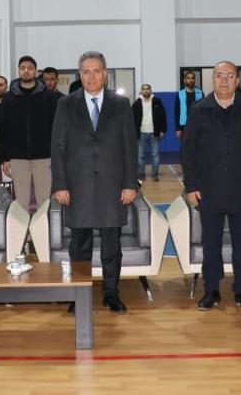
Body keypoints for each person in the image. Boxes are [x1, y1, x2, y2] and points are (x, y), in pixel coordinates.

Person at [51, 51, 137, 314]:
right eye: (86, 72)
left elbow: (129, 146)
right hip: (77, 188)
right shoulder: (66, 104)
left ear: (105, 74)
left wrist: (130, 183)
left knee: (112, 247)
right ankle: (79, 294)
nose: (91, 76)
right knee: (79, 247)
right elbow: (58, 147)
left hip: (113, 187)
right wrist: (60, 184)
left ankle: (111, 294)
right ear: (80, 75)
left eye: (97, 71)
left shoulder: (121, 104)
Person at [182, 61, 241, 312]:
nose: (224, 80)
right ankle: (211, 289)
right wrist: (191, 185)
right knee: (211, 245)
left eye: (229, 76)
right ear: (212, 80)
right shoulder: (199, 110)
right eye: (219, 75)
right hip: (209, 189)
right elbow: (189, 151)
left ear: (237, 81)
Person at [0, 56, 58, 213]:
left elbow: (56, 127)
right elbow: (3, 128)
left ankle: (43, 229)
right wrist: (4, 158)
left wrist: (55, 154)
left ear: (36, 71)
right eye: (23, 68)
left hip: (44, 156)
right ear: (19, 71)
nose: (26, 71)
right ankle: (23, 229)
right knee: (21, 202)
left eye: (30, 68)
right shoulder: (9, 97)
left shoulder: (49, 96)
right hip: (17, 156)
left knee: (44, 201)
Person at [132, 83, 167, 181]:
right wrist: (133, 131)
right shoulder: (136, 103)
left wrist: (162, 130)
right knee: (140, 156)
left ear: (150, 90)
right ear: (141, 91)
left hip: (154, 133)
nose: (146, 90)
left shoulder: (157, 102)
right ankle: (141, 175)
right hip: (141, 133)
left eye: (147, 89)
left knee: (155, 155)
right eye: (144, 89)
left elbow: (163, 116)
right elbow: (132, 119)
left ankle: (155, 175)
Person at [174, 70, 203, 140]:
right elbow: (177, 112)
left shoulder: (200, 93)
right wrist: (178, 128)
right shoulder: (180, 94)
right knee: (185, 146)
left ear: (194, 80)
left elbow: (204, 111)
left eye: (192, 78)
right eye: (188, 78)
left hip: (198, 125)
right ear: (185, 80)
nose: (190, 80)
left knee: (198, 146)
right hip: (184, 126)